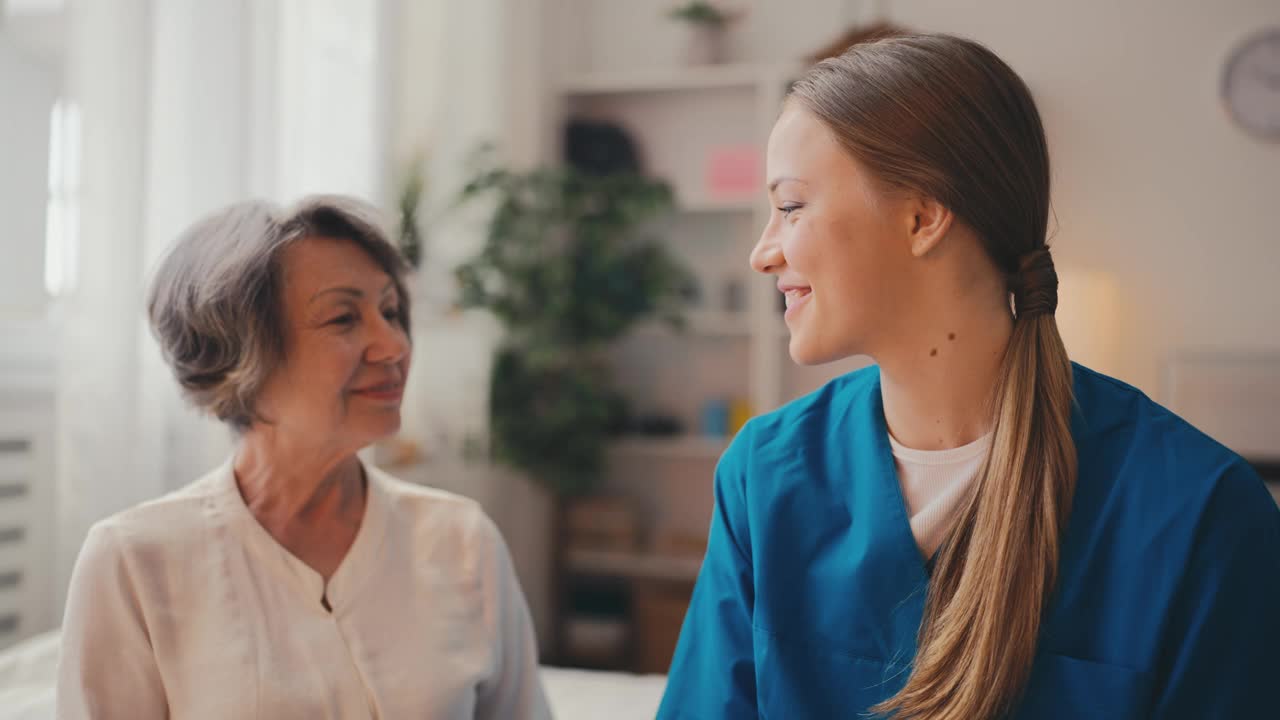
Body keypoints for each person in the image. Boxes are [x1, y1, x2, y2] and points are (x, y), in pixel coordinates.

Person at [658, 33, 1280, 719]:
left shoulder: (1203, 517)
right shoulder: (765, 476)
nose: (762, 253)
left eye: (793, 205)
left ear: (922, 217)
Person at [56, 196, 552, 719]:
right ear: (240, 356)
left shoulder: (462, 540)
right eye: (343, 318)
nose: (394, 346)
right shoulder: (133, 562)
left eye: (390, 312)